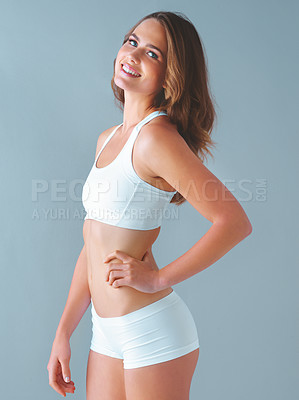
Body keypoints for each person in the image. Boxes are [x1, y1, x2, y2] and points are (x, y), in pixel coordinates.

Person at [47, 11, 252, 400]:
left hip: (150, 330)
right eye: (132, 41)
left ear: (172, 75)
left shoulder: (155, 138)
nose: (134, 54)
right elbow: (93, 244)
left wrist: (158, 278)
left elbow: (234, 222)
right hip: (104, 331)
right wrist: (63, 332)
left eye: (153, 54)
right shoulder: (108, 139)